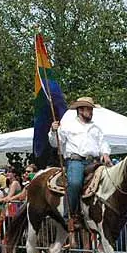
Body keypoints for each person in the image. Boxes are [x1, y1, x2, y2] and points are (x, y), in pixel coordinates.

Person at [48, 96, 110, 233]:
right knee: (75, 183)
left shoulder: (96, 128)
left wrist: (105, 154)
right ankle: (70, 215)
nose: (91, 112)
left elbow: (103, 143)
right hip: (76, 161)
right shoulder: (68, 125)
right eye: (89, 109)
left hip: (94, 161)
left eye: (91, 109)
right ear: (80, 110)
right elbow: (55, 143)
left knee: (108, 180)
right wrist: (53, 131)